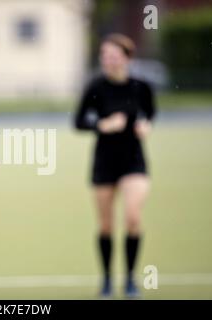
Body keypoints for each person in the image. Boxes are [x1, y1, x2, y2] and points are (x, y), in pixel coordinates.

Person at [74, 34, 156, 298]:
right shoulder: (96, 86)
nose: (109, 60)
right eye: (105, 55)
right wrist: (102, 125)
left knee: (132, 218)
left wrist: (146, 125)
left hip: (133, 160)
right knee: (106, 225)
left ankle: (130, 279)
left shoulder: (141, 86)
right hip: (104, 161)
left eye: (114, 55)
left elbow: (150, 113)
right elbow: (78, 121)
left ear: (127, 57)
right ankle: (108, 280)